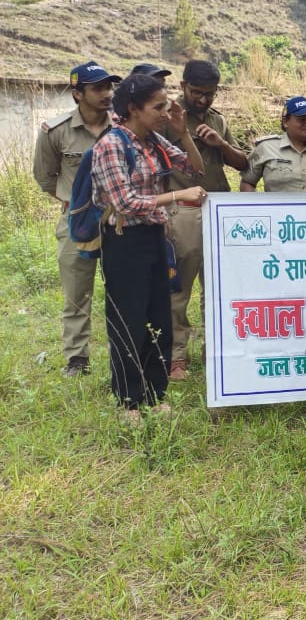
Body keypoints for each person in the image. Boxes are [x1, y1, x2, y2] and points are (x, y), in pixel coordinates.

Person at [90, 74, 205, 420]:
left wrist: (183, 132)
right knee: (129, 320)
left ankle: (155, 394)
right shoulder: (111, 145)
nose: (164, 111)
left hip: (156, 239)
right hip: (125, 243)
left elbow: (194, 168)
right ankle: (129, 400)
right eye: (158, 106)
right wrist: (175, 196)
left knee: (159, 318)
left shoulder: (153, 141)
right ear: (133, 109)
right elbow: (124, 202)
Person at [159, 60, 248, 382]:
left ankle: (217, 351)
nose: (203, 100)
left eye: (209, 94)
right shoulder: (166, 119)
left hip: (218, 208)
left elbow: (243, 164)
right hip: (181, 208)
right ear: (183, 87)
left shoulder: (217, 121)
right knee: (179, 288)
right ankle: (176, 357)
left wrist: (220, 143)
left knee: (218, 288)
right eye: (197, 93)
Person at [33, 61, 119, 377]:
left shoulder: (121, 128)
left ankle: (121, 352)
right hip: (75, 225)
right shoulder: (56, 132)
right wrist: (76, 203)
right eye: (98, 88)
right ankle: (77, 359)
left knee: (120, 290)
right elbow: (44, 176)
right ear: (77, 94)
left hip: (117, 222)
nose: (107, 93)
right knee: (76, 294)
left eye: (109, 86)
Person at [240, 96, 306, 193]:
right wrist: (260, 208)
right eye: (302, 120)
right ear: (286, 122)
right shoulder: (265, 148)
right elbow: (247, 182)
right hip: (278, 212)